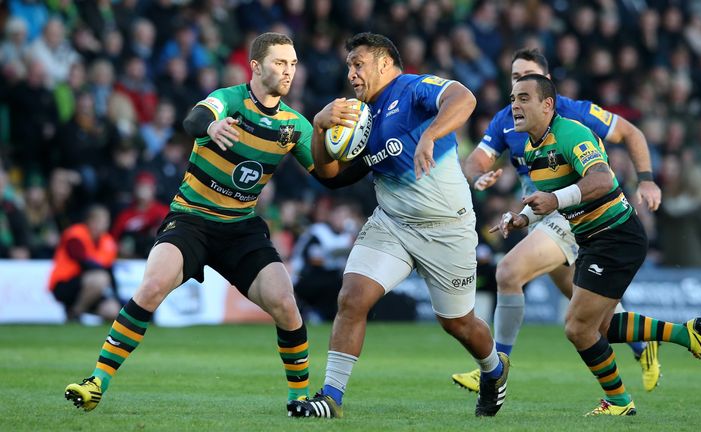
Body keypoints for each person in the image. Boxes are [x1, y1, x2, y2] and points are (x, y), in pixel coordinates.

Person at [64, 32, 331, 414]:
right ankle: (96, 382)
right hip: (191, 219)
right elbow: (195, 118)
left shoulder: (296, 125)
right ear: (256, 66)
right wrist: (211, 127)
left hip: (240, 227)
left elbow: (329, 176)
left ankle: (299, 400)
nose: (289, 71)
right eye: (280, 63)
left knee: (286, 305)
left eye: (293, 64)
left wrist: (340, 143)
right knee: (153, 286)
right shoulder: (227, 99)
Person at [288, 32, 509, 419]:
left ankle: (494, 370)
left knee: (457, 323)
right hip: (393, 223)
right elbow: (331, 177)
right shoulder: (358, 117)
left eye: (359, 64)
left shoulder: (411, 89)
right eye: (349, 67)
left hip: (448, 228)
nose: (352, 74)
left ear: (385, 64)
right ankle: (331, 398)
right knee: (352, 298)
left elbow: (464, 98)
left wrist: (430, 134)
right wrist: (319, 129)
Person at [491, 74, 701, 416]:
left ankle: (619, 401)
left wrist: (554, 200)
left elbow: (601, 178)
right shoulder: (531, 148)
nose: (514, 105)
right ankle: (689, 335)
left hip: (616, 236)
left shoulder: (572, 133)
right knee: (599, 327)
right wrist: (522, 218)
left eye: (523, 97)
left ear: (547, 104)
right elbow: (549, 197)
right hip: (592, 240)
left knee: (577, 327)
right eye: (512, 98)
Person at [453, 48, 663, 394]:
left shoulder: (573, 114)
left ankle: (494, 367)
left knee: (508, 272)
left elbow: (631, 133)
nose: (519, 83)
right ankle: (643, 347)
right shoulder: (507, 118)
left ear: (545, 82)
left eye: (526, 76)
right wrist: (478, 177)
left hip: (570, 212)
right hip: (539, 216)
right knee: (589, 311)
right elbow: (475, 161)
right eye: (514, 77)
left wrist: (647, 178)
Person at [48, 205, 120, 322]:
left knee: (112, 310)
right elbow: (83, 262)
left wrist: (116, 297)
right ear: (90, 221)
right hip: (65, 283)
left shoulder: (107, 241)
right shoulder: (75, 235)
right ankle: (75, 313)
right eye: (100, 221)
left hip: (89, 288)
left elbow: (110, 270)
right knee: (100, 278)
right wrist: (102, 268)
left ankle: (79, 311)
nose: (104, 225)